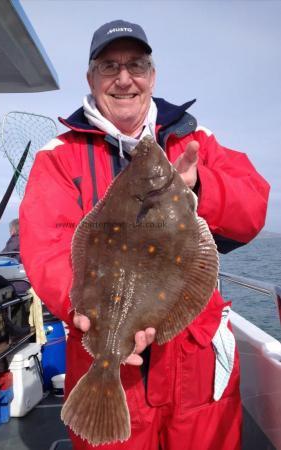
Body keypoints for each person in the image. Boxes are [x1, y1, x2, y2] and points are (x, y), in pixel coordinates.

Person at [19, 20, 270, 450]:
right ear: (91, 77)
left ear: (152, 77)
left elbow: (252, 208)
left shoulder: (195, 141)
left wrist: (199, 185)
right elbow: (48, 246)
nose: (124, 78)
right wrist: (85, 313)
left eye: (136, 65)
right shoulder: (59, 157)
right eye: (109, 66)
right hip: (106, 349)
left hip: (195, 359)